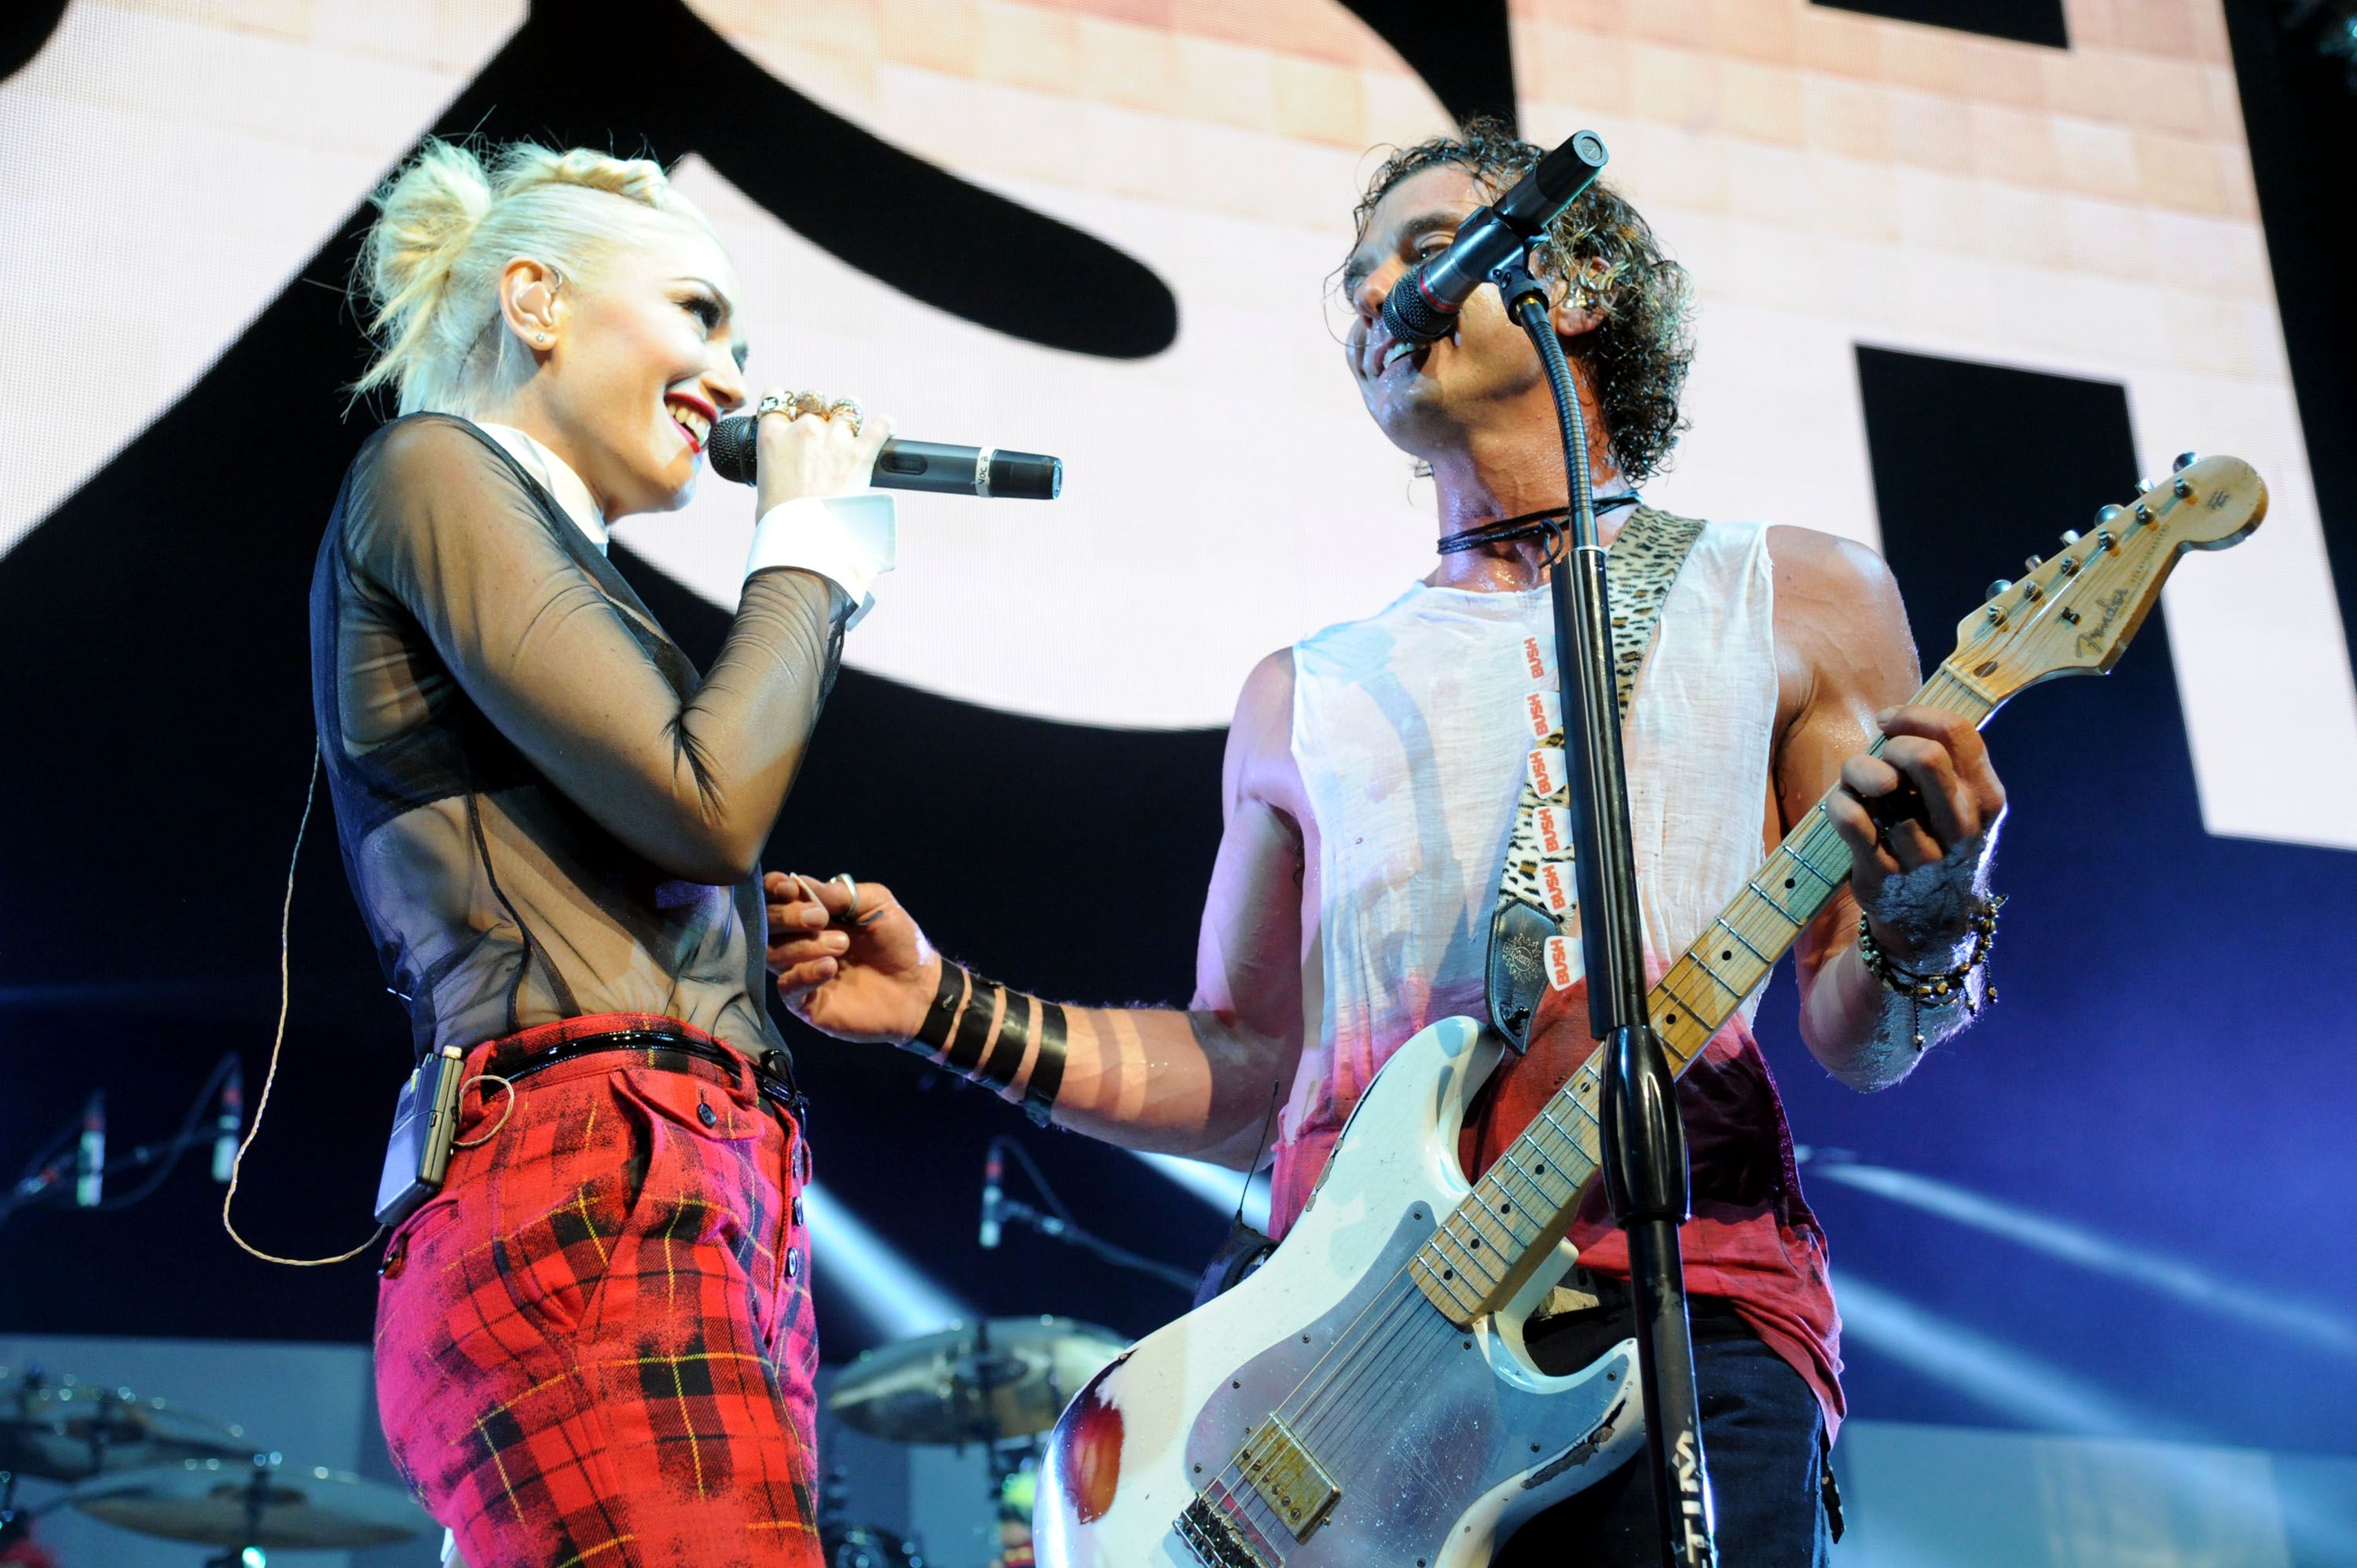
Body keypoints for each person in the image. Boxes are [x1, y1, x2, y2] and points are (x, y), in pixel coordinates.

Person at [766, 119, 2009, 1566]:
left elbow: (1856, 1037)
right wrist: (943, 1011)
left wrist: (1928, 909)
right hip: (1352, 1370)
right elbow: (1244, 1067)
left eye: (1426, 256)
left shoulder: (1794, 598)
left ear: (1582, 283)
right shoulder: (1305, 694)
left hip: (1687, 1313)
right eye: (1356, 279)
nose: (1375, 299)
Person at [313, 137, 895, 1568]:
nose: (736, 380)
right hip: (593, 1176)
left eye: (741, 340)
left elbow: (677, 832)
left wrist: (747, 943)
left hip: (685, 1178)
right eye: (700, 315)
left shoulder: (559, 565)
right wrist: (808, 557)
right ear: (535, 301)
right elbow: (703, 799)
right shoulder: (434, 469)